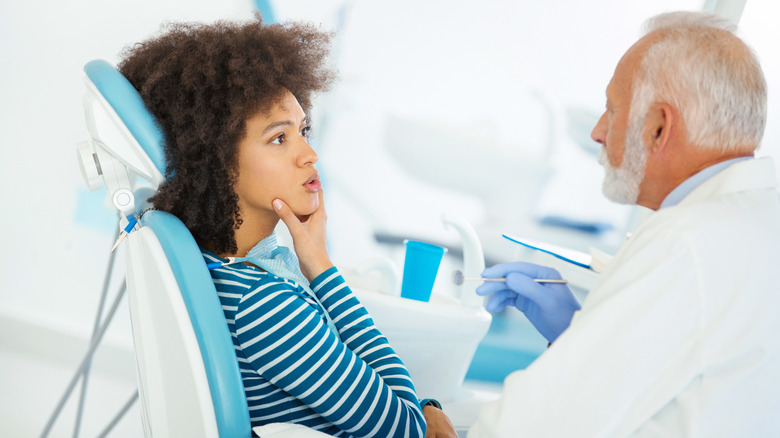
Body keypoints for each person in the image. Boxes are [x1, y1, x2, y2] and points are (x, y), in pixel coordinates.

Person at [118, 17, 456, 437]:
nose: (310, 154)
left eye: (304, 130)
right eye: (280, 138)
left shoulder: (226, 270)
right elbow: (405, 428)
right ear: (217, 162)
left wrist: (313, 258)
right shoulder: (264, 305)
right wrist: (427, 406)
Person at [469, 11, 780, 437]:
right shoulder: (759, 221)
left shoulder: (685, 239)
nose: (598, 132)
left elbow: (531, 426)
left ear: (658, 128)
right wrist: (580, 337)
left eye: (612, 111)